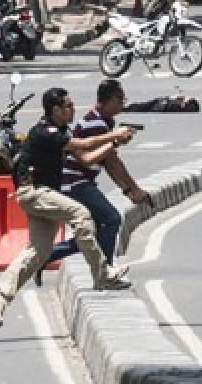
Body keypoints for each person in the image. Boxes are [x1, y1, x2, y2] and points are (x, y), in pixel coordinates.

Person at [0, 88, 135, 326]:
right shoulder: (46, 132)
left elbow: (84, 154)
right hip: (33, 192)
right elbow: (84, 144)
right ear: (55, 110)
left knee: (39, 252)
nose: (73, 110)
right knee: (81, 214)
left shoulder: (61, 130)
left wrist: (114, 140)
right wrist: (114, 136)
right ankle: (103, 273)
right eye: (68, 106)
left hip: (46, 195)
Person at [39, 80, 150, 285]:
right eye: (119, 99)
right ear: (107, 100)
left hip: (80, 181)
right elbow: (100, 159)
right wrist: (132, 189)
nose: (122, 104)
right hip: (76, 183)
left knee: (94, 233)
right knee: (112, 220)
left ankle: (46, 257)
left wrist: (129, 189)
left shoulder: (103, 122)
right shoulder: (96, 124)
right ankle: (105, 274)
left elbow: (109, 162)